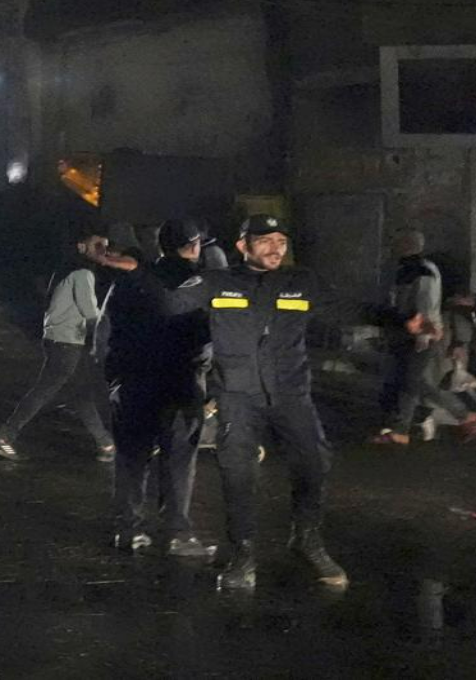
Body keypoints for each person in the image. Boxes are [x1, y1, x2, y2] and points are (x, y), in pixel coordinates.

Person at [100, 214, 351, 590]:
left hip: (287, 394)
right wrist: (137, 272)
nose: (275, 248)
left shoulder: (300, 282)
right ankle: (239, 552)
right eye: (265, 241)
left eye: (281, 241)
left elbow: (348, 309)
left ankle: (306, 538)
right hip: (230, 394)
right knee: (233, 473)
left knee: (313, 462)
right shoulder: (217, 282)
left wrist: (405, 320)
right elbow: (169, 306)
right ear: (242, 245)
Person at [103, 219, 213, 556]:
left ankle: (128, 531)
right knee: (179, 460)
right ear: (194, 246)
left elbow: (105, 335)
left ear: (161, 246)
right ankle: (178, 534)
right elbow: (214, 339)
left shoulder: (129, 281)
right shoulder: (203, 285)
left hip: (135, 384)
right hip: (182, 386)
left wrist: (114, 380)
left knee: (132, 459)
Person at [0, 227, 117, 462]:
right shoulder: (82, 274)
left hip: (60, 338)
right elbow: (90, 314)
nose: (104, 251)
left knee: (80, 393)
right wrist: (106, 336)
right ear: (81, 246)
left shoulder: (66, 270)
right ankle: (4, 436)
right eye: (98, 245)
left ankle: (105, 444)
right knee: (45, 390)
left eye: (106, 246)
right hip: (67, 340)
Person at [372, 230, 476, 445]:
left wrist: (424, 334)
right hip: (406, 332)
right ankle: (463, 415)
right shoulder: (407, 269)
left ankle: (401, 429)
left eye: (396, 242)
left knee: (410, 381)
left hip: (418, 334)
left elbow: (425, 304)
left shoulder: (421, 270)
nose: (392, 246)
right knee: (413, 381)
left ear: (406, 245)